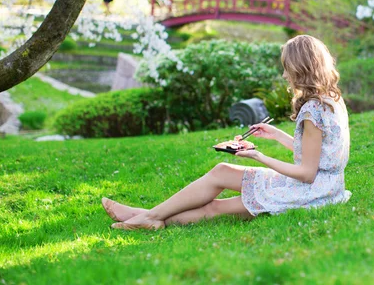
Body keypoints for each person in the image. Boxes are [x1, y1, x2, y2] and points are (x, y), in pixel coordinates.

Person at [101, 35, 352, 230]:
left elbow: (307, 173)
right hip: (326, 186)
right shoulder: (331, 99)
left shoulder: (312, 111)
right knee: (222, 171)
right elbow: (318, 155)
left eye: (288, 68)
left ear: (301, 68)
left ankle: (147, 217)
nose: (285, 74)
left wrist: (258, 156)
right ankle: (147, 215)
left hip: (311, 192)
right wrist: (276, 135)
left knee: (214, 209)